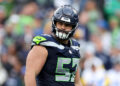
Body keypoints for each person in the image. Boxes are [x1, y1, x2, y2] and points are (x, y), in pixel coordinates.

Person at [25, 5, 82, 86]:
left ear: (73, 27)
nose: (63, 27)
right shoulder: (44, 44)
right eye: (60, 23)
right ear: (54, 22)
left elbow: (77, 82)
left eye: (67, 25)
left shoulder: (74, 47)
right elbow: (30, 74)